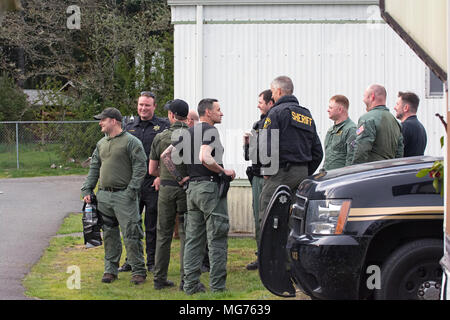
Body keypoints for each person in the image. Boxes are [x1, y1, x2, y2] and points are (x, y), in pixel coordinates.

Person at [161, 98, 236, 294]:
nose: (222, 113)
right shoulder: (210, 130)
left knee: (194, 240)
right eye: (218, 110)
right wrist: (223, 171)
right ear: (208, 113)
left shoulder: (188, 131)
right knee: (217, 237)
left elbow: (166, 156)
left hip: (191, 191)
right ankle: (218, 289)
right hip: (209, 189)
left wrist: (180, 178)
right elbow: (205, 157)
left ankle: (190, 286)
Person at [81, 107, 148, 285]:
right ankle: (110, 270)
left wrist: (131, 191)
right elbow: (94, 168)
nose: (100, 123)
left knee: (131, 234)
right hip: (104, 197)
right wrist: (87, 189)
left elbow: (141, 168)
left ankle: (138, 271)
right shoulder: (101, 143)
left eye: (103, 120)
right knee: (109, 234)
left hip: (124, 197)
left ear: (114, 121)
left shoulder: (131, 142)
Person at [259, 76, 323, 228]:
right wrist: (304, 170)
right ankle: (291, 251)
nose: (272, 96)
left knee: (268, 214)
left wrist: (267, 170)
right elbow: (318, 151)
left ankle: (268, 252)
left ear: (279, 91)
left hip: (280, 174)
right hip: (301, 175)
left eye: (273, 92)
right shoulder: (306, 115)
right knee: (295, 218)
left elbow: (268, 144)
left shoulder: (276, 112)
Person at [120, 91, 169, 273]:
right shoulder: (129, 126)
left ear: (154, 107)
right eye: (141, 105)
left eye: (147, 105)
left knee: (152, 225)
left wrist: (160, 176)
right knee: (131, 224)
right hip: (132, 183)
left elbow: (168, 154)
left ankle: (152, 261)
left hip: (153, 183)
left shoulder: (163, 126)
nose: (143, 108)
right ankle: (131, 260)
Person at [149, 99, 190, 290]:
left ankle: (159, 279)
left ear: (171, 115)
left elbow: (152, 170)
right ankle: (186, 280)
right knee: (185, 234)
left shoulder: (160, 137)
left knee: (163, 233)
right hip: (186, 189)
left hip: (165, 189)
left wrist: (165, 175)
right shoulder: (192, 136)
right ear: (186, 116)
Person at [243, 89, 274, 270]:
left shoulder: (276, 122)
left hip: (271, 177)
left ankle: (273, 257)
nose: (258, 105)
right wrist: (247, 145)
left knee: (272, 218)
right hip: (257, 176)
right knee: (258, 217)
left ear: (270, 103)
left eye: (261, 102)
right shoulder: (257, 124)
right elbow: (250, 156)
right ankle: (261, 255)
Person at [351, 84, 404, 164]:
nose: (363, 100)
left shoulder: (367, 119)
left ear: (372, 97)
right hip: (389, 171)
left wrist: (354, 171)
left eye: (364, 96)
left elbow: (361, 149)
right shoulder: (395, 122)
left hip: (372, 172)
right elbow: (399, 152)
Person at [323, 95, 357, 170]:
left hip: (340, 178)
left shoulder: (351, 130)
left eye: (331, 108)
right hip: (328, 176)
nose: (328, 110)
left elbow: (352, 159)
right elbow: (328, 158)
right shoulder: (331, 131)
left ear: (340, 109)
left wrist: (345, 177)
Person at [394, 91, 427, 156]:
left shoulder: (405, 127)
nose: (395, 108)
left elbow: (395, 152)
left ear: (406, 108)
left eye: (397, 104)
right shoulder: (421, 128)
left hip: (404, 165)